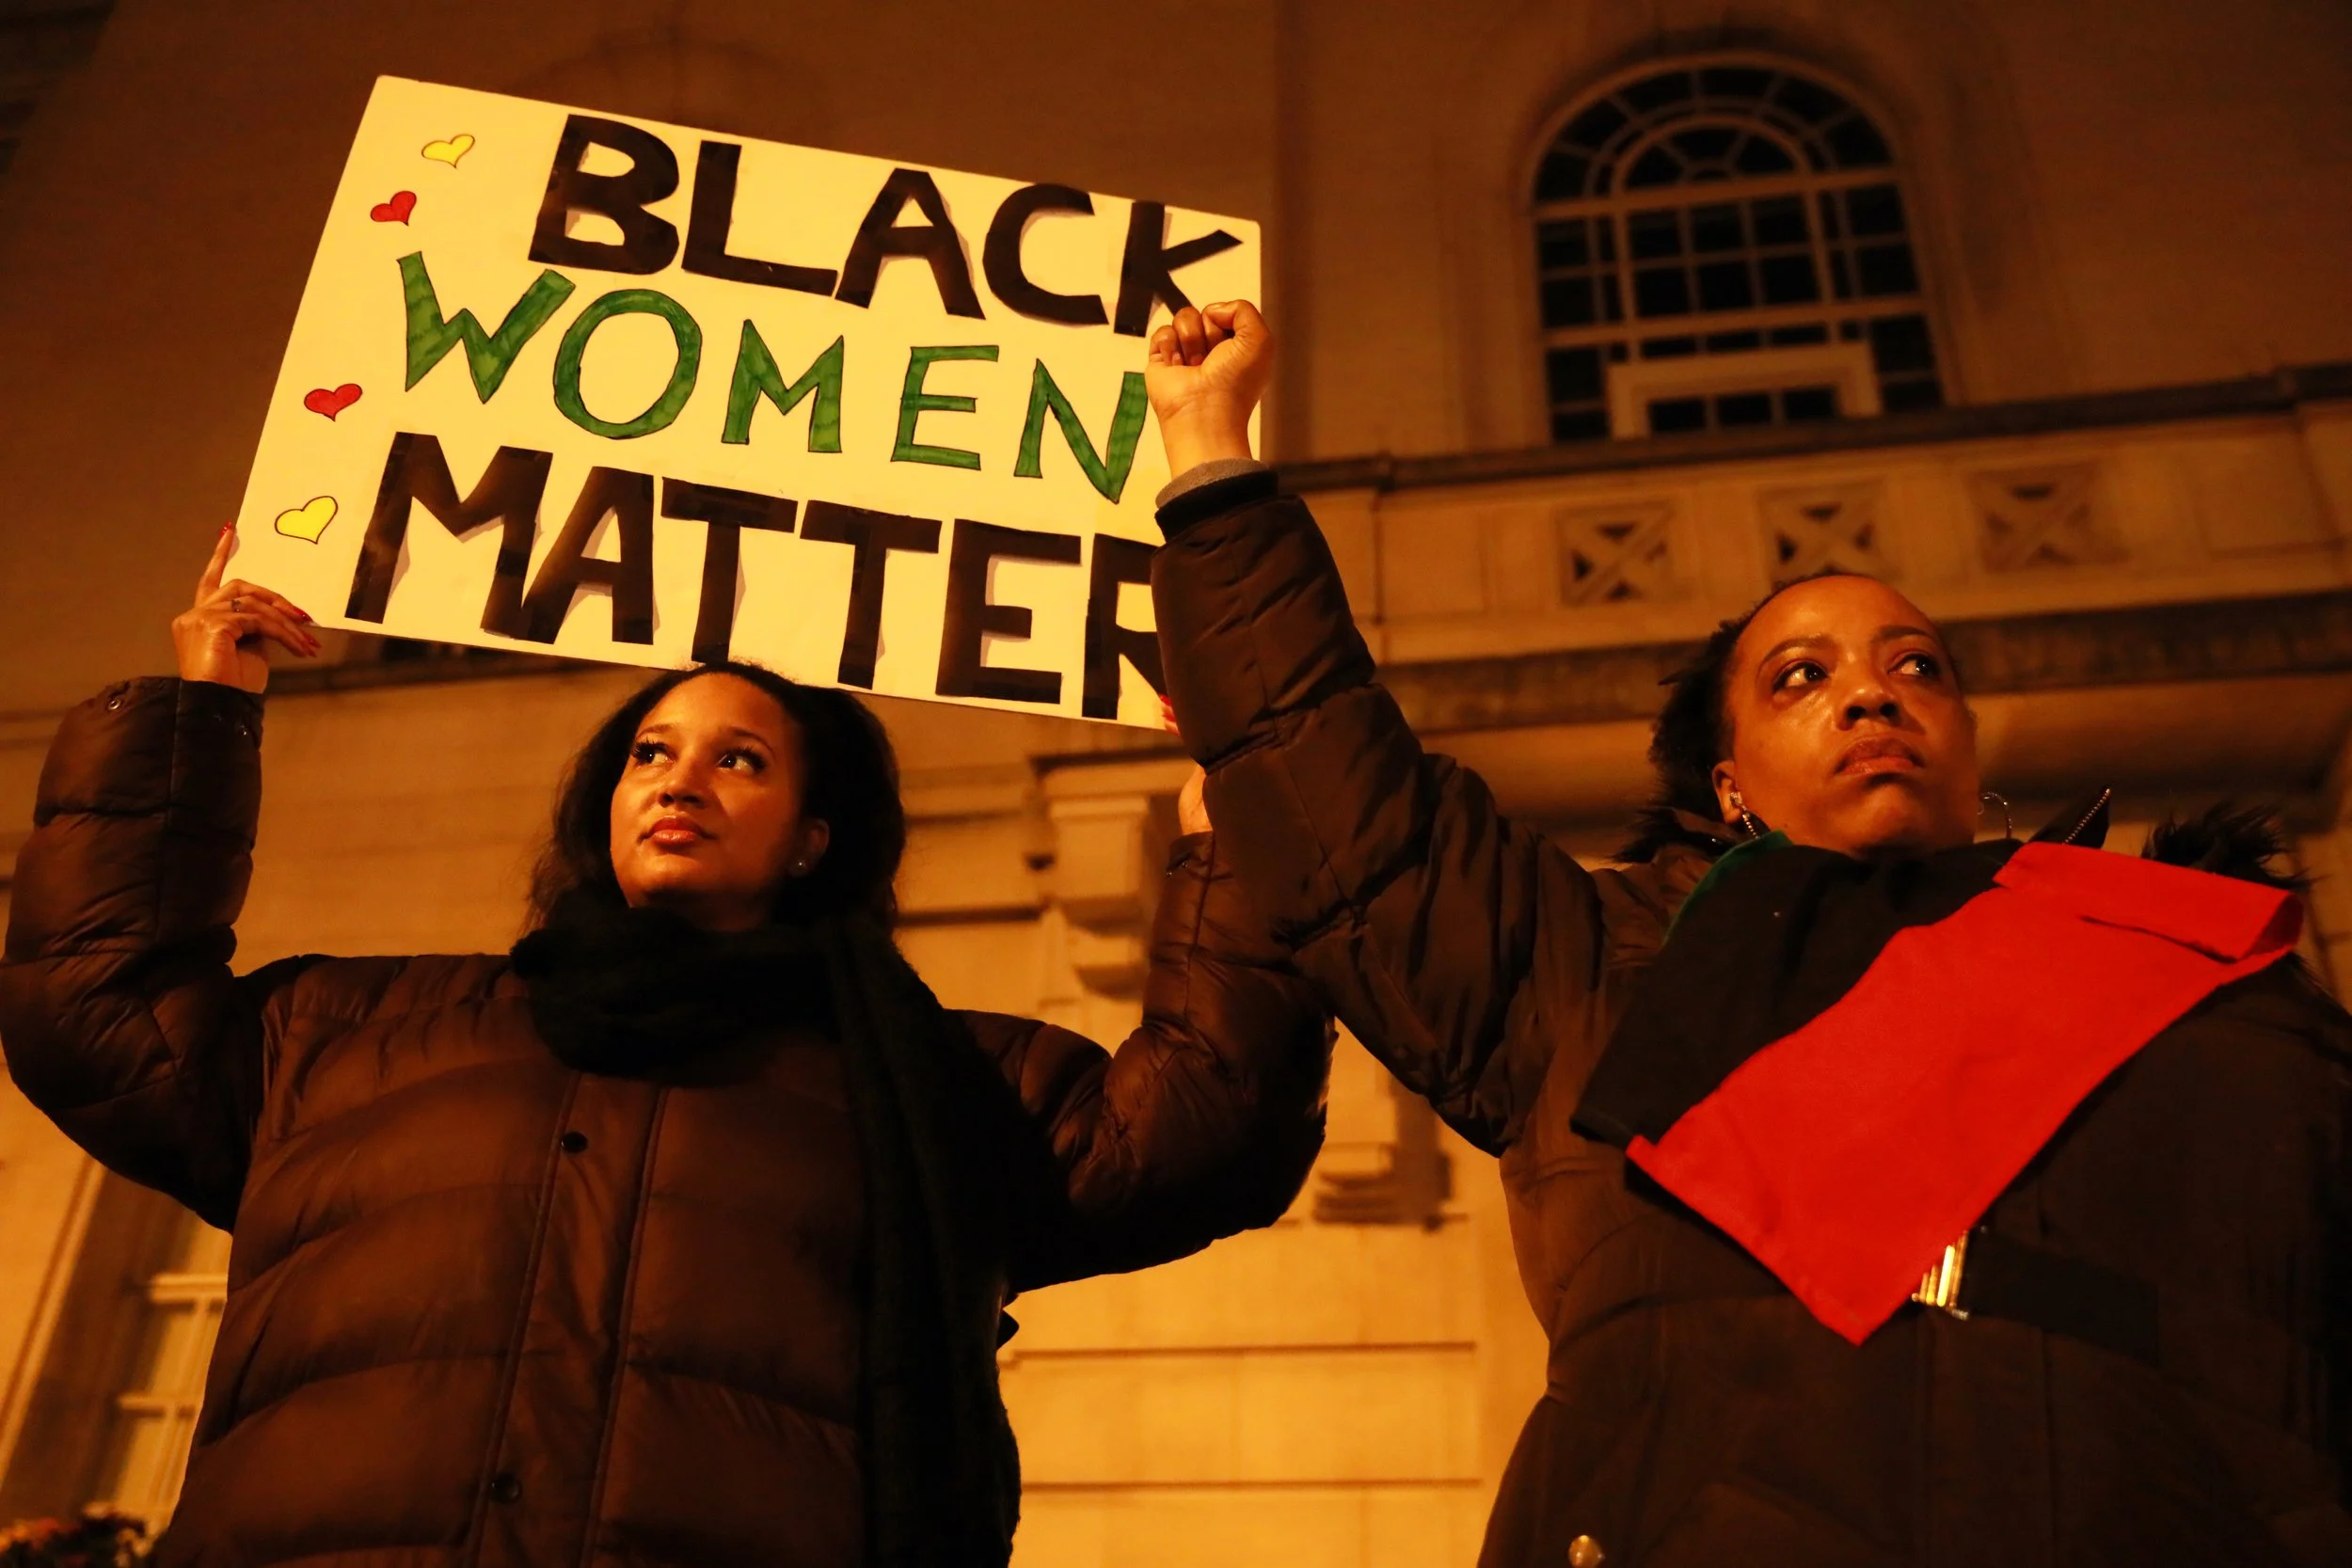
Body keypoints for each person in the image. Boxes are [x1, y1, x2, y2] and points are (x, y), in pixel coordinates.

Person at [1142, 301, 2352, 1567]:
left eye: (1918, 668)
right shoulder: (1593, 961)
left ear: (1969, 744)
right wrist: (1210, 444)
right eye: (1801, 676)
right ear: (1729, 786)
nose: (1872, 693)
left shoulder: (2194, 967)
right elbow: (1340, 786)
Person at [0, 526, 1334, 1568]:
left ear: (814, 840)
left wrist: (1227, 821)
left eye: (740, 760)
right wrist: (203, 709)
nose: (680, 779)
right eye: (651, 751)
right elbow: (101, 1009)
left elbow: (1206, 1122)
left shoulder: (938, 1086)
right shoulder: (350, 1033)